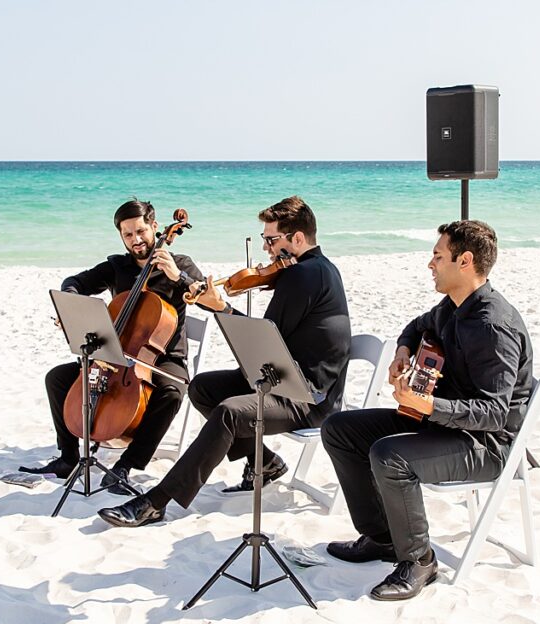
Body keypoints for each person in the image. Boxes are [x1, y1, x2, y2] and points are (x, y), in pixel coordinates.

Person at [97, 196, 352, 527]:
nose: (266, 250)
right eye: (264, 240)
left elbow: (262, 344)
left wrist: (221, 308)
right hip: (285, 378)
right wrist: (221, 307)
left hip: (306, 397)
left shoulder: (304, 276)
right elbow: (267, 348)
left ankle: (157, 501)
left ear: (298, 239)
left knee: (229, 413)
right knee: (203, 388)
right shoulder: (310, 269)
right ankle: (265, 462)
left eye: (272, 240)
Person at [321, 219, 534, 601]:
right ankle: (383, 539)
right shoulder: (453, 306)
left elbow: (493, 414)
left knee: (389, 455)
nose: (430, 264)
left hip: (485, 445)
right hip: (443, 426)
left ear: (464, 261)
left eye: (438, 256)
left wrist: (429, 404)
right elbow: (416, 327)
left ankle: (419, 560)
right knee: (339, 428)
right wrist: (404, 349)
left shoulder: (494, 327)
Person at [20, 199, 205, 494]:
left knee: (172, 392)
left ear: (155, 228)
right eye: (128, 234)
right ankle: (68, 458)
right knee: (57, 378)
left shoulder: (180, 264)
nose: (136, 240)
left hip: (164, 358)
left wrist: (178, 277)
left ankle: (126, 465)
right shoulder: (117, 267)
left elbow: (209, 297)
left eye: (141, 231)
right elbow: (74, 283)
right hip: (117, 357)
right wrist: (72, 307)